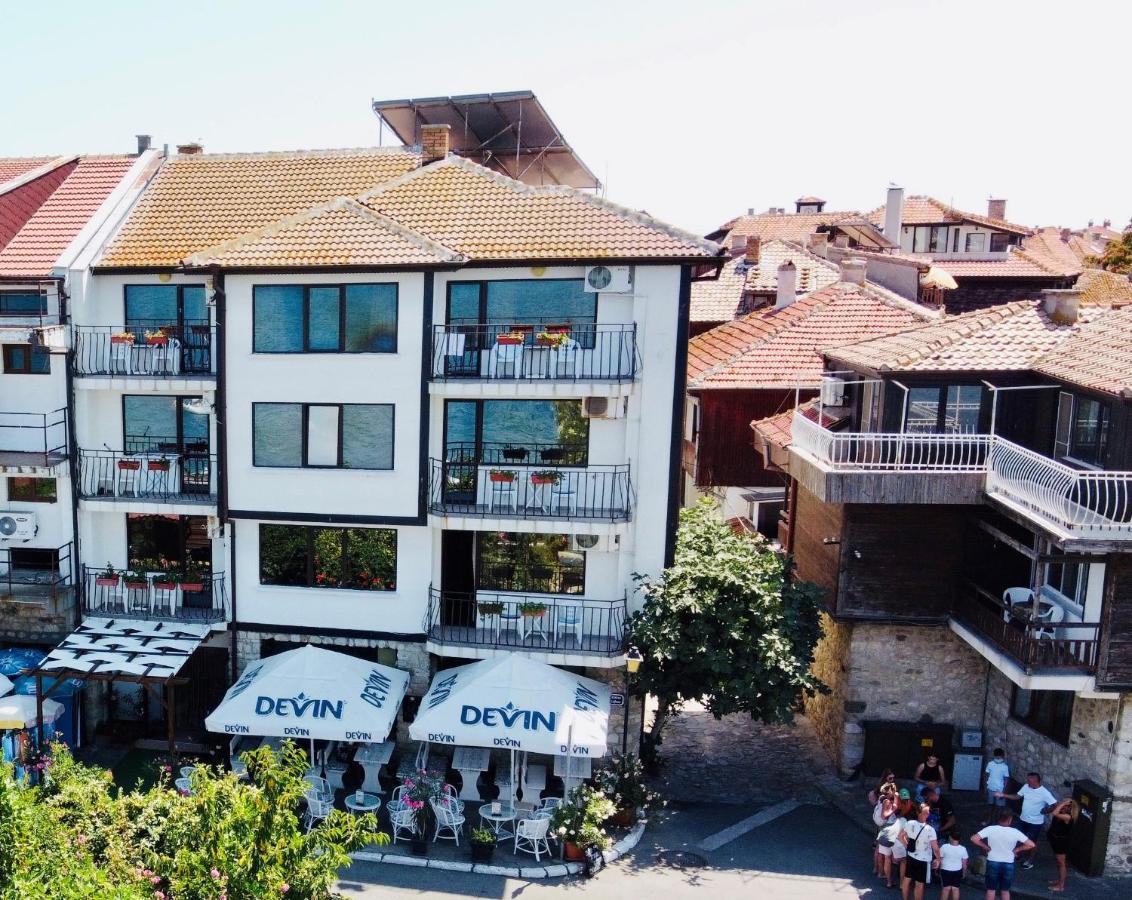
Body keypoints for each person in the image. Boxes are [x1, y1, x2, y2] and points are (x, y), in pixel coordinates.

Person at [995, 772, 1056, 869]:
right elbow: (1017, 796)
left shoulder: (1044, 793)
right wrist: (1004, 795)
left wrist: (1046, 811)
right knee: (1018, 837)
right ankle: (1018, 854)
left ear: (1035, 781)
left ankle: (1030, 861)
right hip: (1023, 819)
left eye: (1029, 780)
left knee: (1032, 842)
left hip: (1035, 823)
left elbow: (1054, 804)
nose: (1027, 782)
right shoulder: (1026, 787)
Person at [971, 810, 1035, 900]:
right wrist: (1017, 850)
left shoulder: (990, 829)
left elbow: (974, 838)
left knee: (991, 890)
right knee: (1005, 890)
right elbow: (1031, 844)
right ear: (1010, 819)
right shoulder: (1015, 832)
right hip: (1008, 863)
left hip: (993, 862)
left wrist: (985, 847)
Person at [899, 803, 940, 900]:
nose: (928, 813)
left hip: (911, 855)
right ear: (920, 813)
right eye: (927, 812)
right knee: (919, 884)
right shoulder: (930, 830)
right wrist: (938, 859)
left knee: (907, 879)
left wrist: (907, 846)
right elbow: (935, 848)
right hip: (923, 860)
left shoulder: (909, 823)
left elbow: (900, 836)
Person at [1046, 798, 1077, 892]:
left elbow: (1054, 813)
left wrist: (1061, 804)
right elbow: (1047, 811)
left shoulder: (1068, 817)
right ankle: (1059, 880)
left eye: (1065, 805)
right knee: (1058, 863)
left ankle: (1061, 886)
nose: (1062, 806)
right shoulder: (1060, 812)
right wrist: (1058, 805)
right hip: (1056, 841)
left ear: (1069, 808)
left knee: (1061, 863)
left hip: (1061, 843)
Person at [877, 810, 908, 889]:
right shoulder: (903, 820)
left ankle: (889, 882)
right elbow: (904, 835)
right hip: (896, 840)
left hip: (885, 839)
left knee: (887, 858)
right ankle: (901, 884)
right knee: (903, 861)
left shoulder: (887, 818)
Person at [938, 831, 969, 900]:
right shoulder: (963, 849)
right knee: (955, 888)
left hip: (945, 870)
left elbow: (939, 859)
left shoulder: (944, 847)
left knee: (946, 888)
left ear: (950, 837)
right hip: (957, 871)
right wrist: (964, 872)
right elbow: (964, 863)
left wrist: (938, 869)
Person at [983, 748, 1010, 826]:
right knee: (990, 805)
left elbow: (1006, 779)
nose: (998, 758)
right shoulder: (990, 764)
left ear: (1002, 756)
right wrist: (986, 787)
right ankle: (989, 821)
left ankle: (997, 822)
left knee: (999, 807)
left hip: (1000, 790)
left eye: (999, 756)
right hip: (990, 788)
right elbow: (986, 775)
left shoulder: (1005, 766)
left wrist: (1003, 792)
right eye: (997, 756)